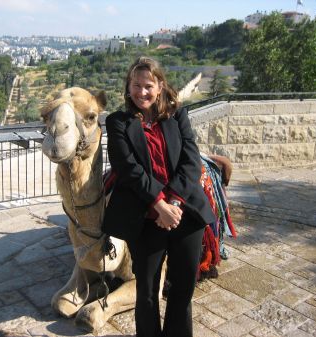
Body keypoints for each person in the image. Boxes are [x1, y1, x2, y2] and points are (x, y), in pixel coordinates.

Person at [102, 56, 215, 337]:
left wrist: (173, 203)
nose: (142, 92)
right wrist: (158, 205)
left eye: (148, 85)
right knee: (148, 293)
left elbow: (191, 162)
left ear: (160, 85)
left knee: (181, 290)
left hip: (183, 213)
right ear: (128, 88)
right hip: (145, 217)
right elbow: (128, 168)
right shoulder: (118, 122)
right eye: (136, 85)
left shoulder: (178, 116)